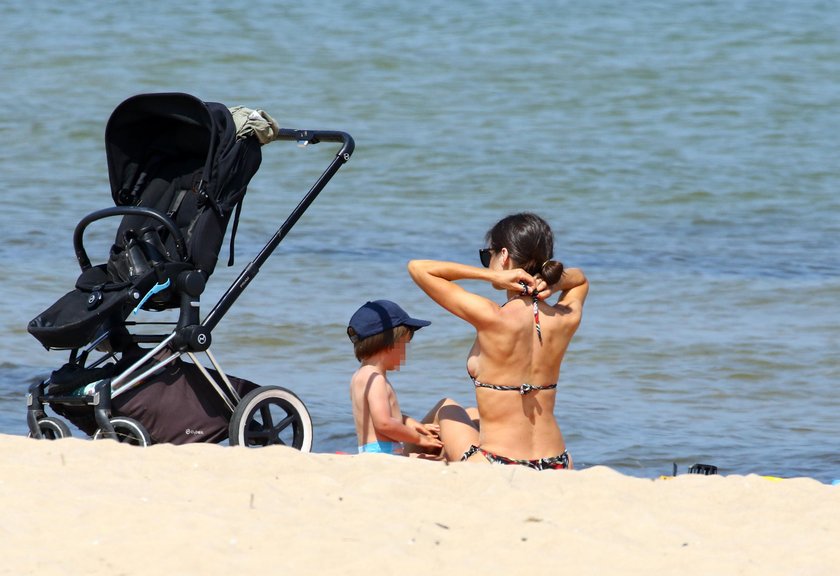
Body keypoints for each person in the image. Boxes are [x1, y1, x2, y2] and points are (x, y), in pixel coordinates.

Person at [407, 212, 588, 470]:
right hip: (556, 462)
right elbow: (580, 280)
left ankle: (403, 460)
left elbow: (418, 268)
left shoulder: (492, 316)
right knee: (472, 414)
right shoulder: (564, 318)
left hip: (499, 462)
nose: (487, 264)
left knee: (446, 408)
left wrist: (492, 277)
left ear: (503, 256)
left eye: (486, 257)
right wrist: (554, 282)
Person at [347, 300, 444, 456]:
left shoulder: (360, 375)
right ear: (389, 345)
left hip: (370, 451)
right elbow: (384, 423)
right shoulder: (375, 379)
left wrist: (412, 423)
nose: (405, 352)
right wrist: (419, 439)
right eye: (404, 345)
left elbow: (383, 415)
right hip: (384, 454)